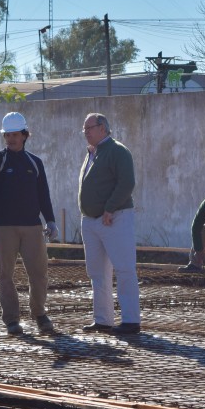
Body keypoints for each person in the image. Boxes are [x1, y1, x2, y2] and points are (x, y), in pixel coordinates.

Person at [0, 112, 58, 336]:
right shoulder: (0, 159)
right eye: (7, 135)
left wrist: (51, 220)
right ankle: (11, 320)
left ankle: (39, 314)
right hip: (4, 227)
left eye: (15, 135)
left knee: (39, 273)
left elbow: (43, 194)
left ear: (25, 135)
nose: (11, 139)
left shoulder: (35, 163)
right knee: (5, 274)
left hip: (32, 227)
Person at [78, 113, 140, 335]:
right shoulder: (93, 153)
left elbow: (127, 182)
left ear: (103, 128)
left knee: (124, 269)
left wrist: (110, 208)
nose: (86, 132)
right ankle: (103, 319)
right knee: (97, 272)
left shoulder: (118, 151)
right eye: (84, 129)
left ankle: (131, 321)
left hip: (115, 218)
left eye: (89, 128)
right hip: (92, 221)